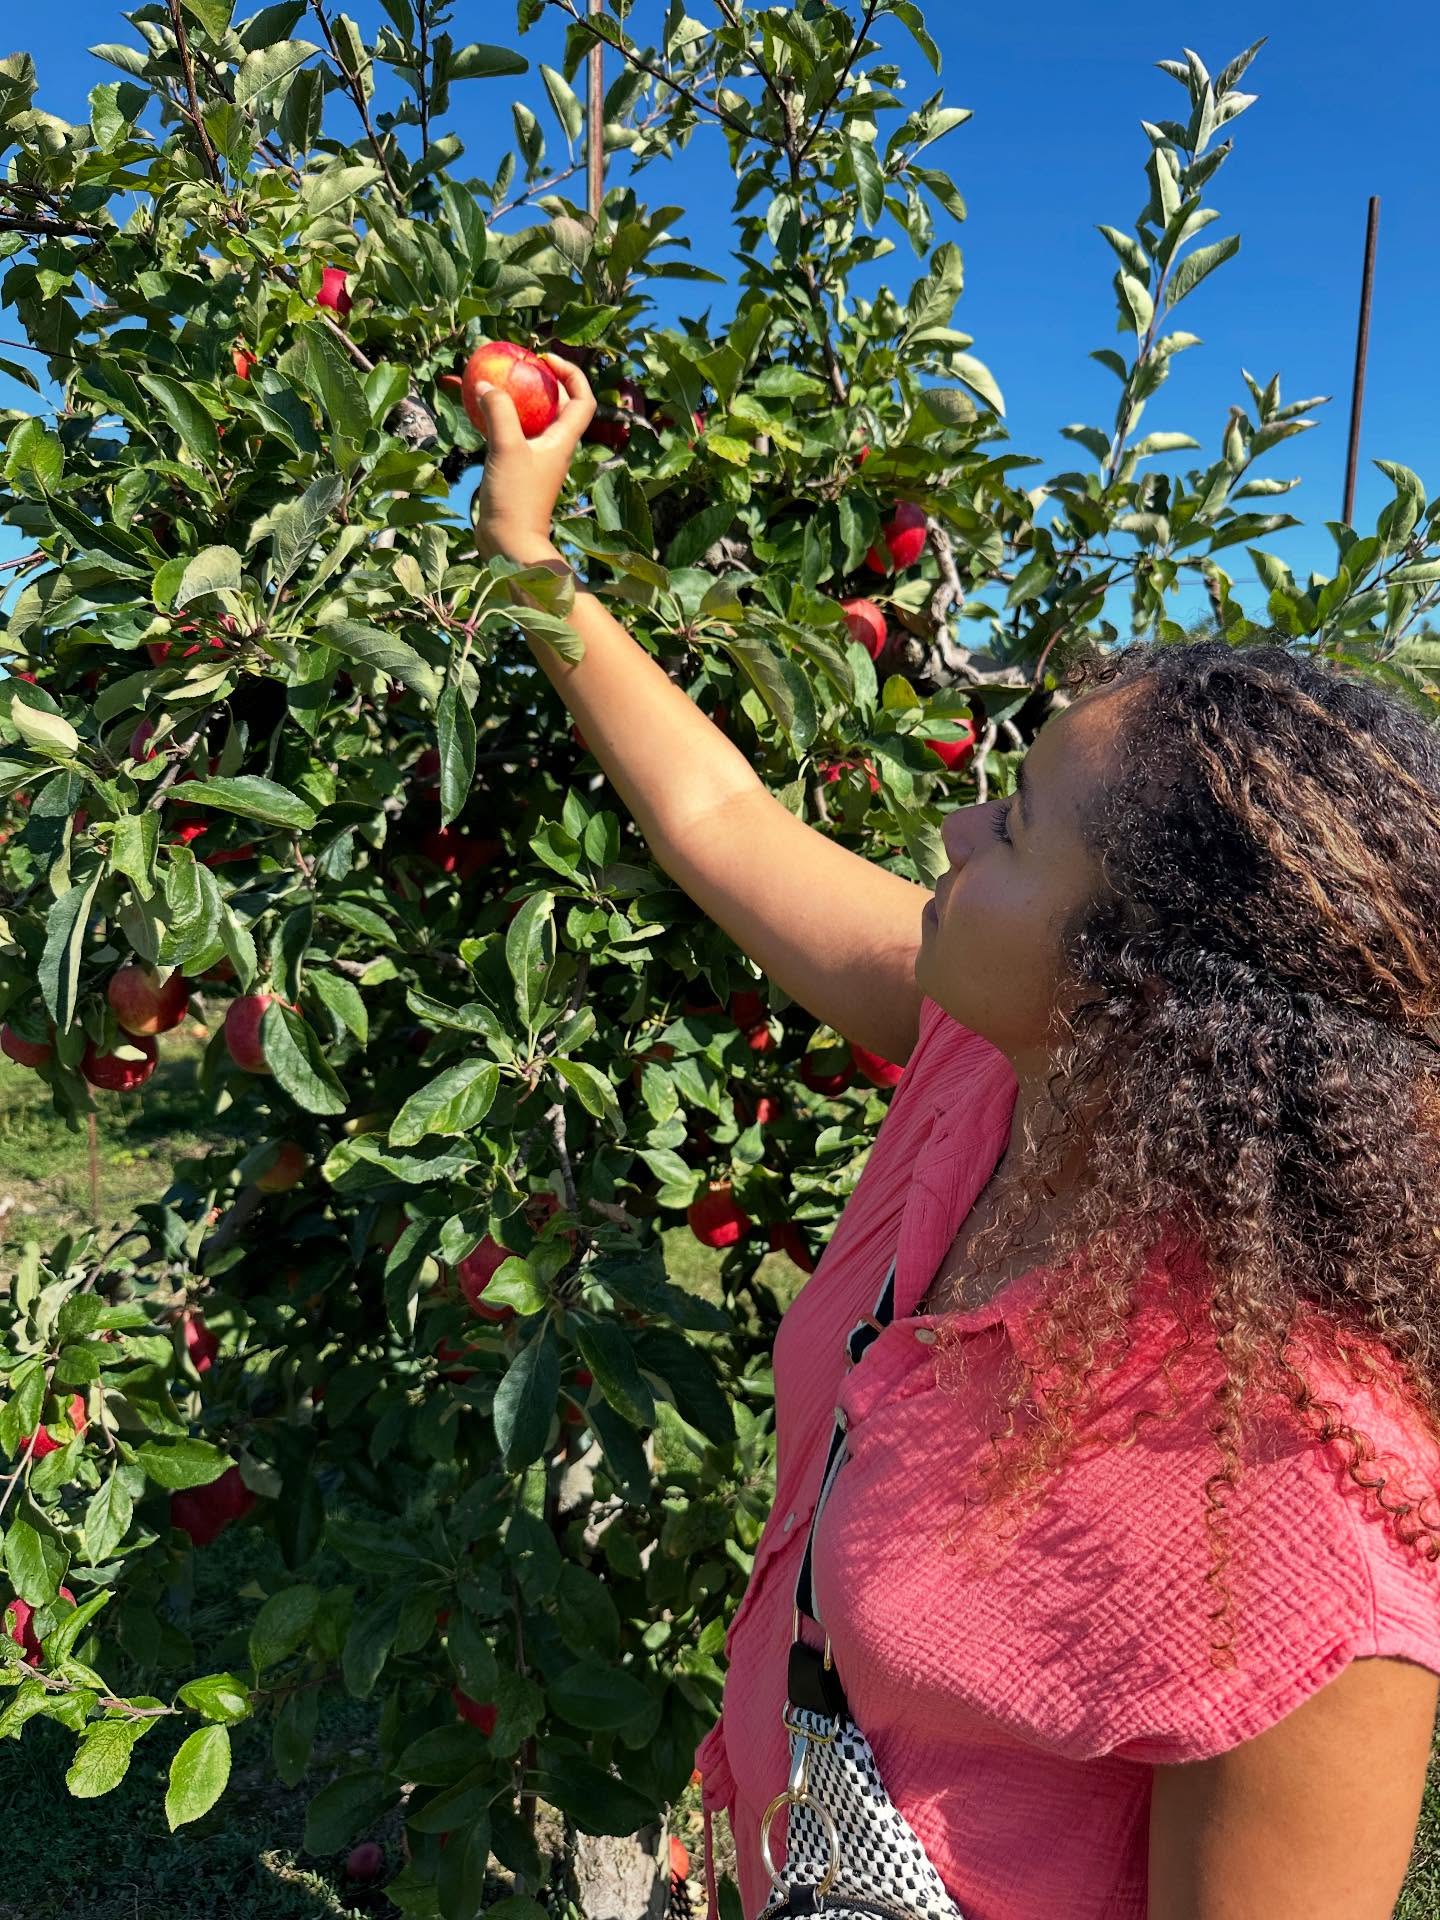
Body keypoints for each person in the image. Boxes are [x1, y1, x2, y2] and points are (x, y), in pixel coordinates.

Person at [468, 356, 1440, 1920]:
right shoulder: (987, 1069)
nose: (951, 829)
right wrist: (528, 550)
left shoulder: (1290, 1499)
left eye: (1018, 823)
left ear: (1139, 984)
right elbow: (717, 819)